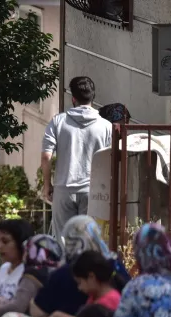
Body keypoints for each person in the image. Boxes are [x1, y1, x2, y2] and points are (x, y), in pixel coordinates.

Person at [42, 76, 112, 236]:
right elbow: (111, 159)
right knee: (89, 239)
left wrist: (47, 185)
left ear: (73, 98)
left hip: (64, 189)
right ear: (93, 97)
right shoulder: (106, 126)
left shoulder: (58, 122)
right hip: (94, 191)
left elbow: (46, 157)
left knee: (64, 240)